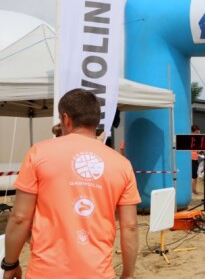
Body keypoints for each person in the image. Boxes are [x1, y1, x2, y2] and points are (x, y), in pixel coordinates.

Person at [3, 88, 140, 279]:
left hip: (46, 272)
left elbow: (19, 217)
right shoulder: (122, 164)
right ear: (95, 120)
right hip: (98, 272)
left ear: (66, 119)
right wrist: (128, 274)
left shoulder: (38, 153)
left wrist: (10, 263)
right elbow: (130, 226)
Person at [191, 124, 201, 195]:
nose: (198, 134)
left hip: (195, 158)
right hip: (192, 159)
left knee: (195, 175)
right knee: (193, 176)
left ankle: (194, 189)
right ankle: (193, 190)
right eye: (197, 133)